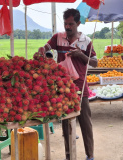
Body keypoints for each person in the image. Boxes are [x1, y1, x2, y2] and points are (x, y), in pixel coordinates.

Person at [37, 8, 98, 160]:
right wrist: (41, 50)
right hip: (63, 87)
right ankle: (69, 155)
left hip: (80, 86)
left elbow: (95, 63)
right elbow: (47, 47)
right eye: (65, 23)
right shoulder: (58, 37)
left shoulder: (86, 41)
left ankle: (90, 155)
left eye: (71, 24)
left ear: (78, 23)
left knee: (85, 122)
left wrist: (81, 55)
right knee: (66, 123)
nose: (68, 27)